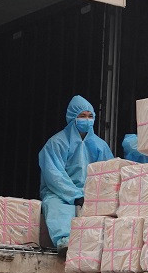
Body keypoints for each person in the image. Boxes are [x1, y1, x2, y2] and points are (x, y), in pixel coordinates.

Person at [39, 96, 113, 248]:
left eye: (90, 116)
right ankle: (65, 242)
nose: (87, 120)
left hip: (90, 195)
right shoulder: (56, 143)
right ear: (72, 117)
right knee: (57, 207)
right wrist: (76, 195)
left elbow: (109, 172)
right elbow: (54, 176)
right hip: (59, 193)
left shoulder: (100, 146)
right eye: (82, 116)